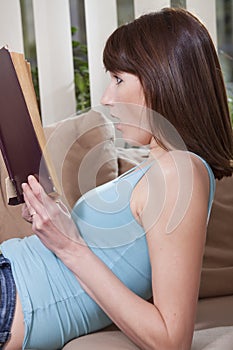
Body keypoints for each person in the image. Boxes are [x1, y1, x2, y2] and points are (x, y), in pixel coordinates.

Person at [1, 7, 233, 350]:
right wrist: (54, 225)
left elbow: (171, 340)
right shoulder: (161, 166)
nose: (106, 98)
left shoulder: (180, 171)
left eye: (118, 79)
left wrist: (69, 245)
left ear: (164, 79)